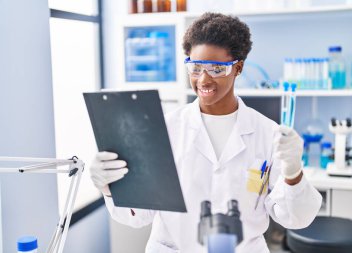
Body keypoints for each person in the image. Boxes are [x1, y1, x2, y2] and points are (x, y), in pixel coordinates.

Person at [89, 12, 322, 253]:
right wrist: (108, 186)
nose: (203, 79)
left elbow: (295, 219)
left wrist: (293, 174)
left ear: (238, 67)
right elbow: (138, 215)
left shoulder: (268, 133)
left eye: (216, 69)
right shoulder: (164, 130)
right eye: (196, 67)